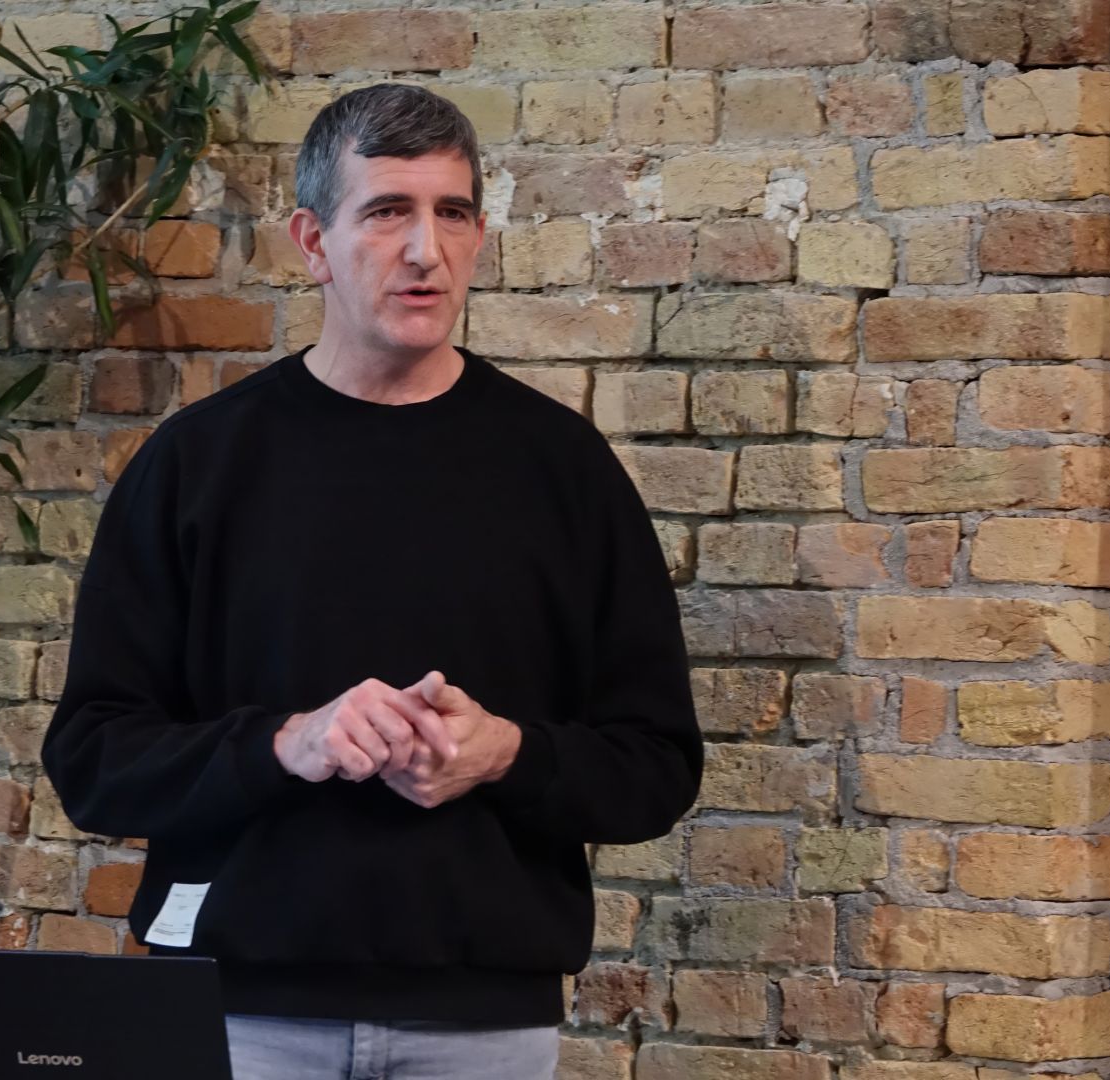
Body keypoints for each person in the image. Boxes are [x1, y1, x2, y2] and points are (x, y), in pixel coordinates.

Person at [42, 83, 703, 1080]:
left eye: (453, 213)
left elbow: (657, 766)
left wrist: (507, 753)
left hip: (484, 1026)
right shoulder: (198, 465)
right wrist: (287, 743)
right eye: (388, 211)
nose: (425, 250)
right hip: (239, 1014)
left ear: (479, 237)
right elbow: (94, 759)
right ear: (314, 242)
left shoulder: (563, 470)